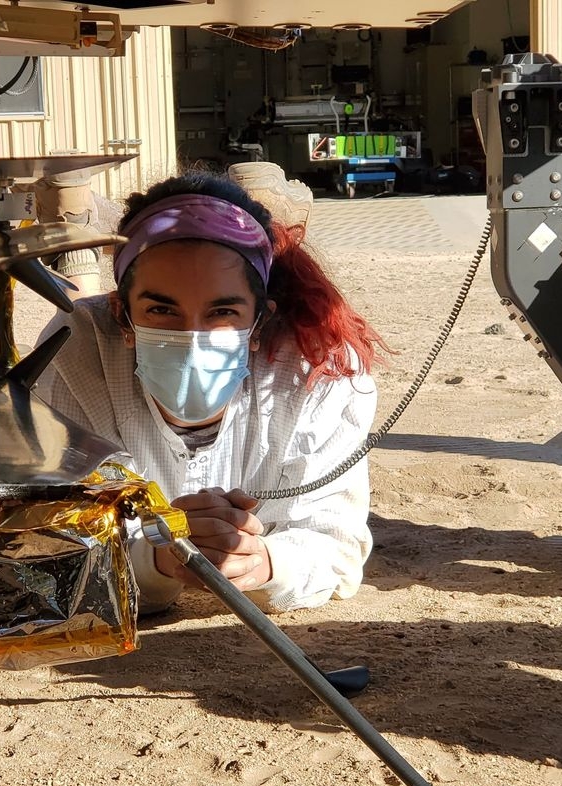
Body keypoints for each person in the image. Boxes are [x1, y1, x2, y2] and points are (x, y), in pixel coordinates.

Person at [33, 170, 390, 615]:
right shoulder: (78, 350)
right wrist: (157, 559)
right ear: (123, 318)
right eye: (161, 310)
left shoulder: (318, 371)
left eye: (223, 312)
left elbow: (335, 544)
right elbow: (48, 540)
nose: (193, 337)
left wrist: (266, 565)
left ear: (259, 322)